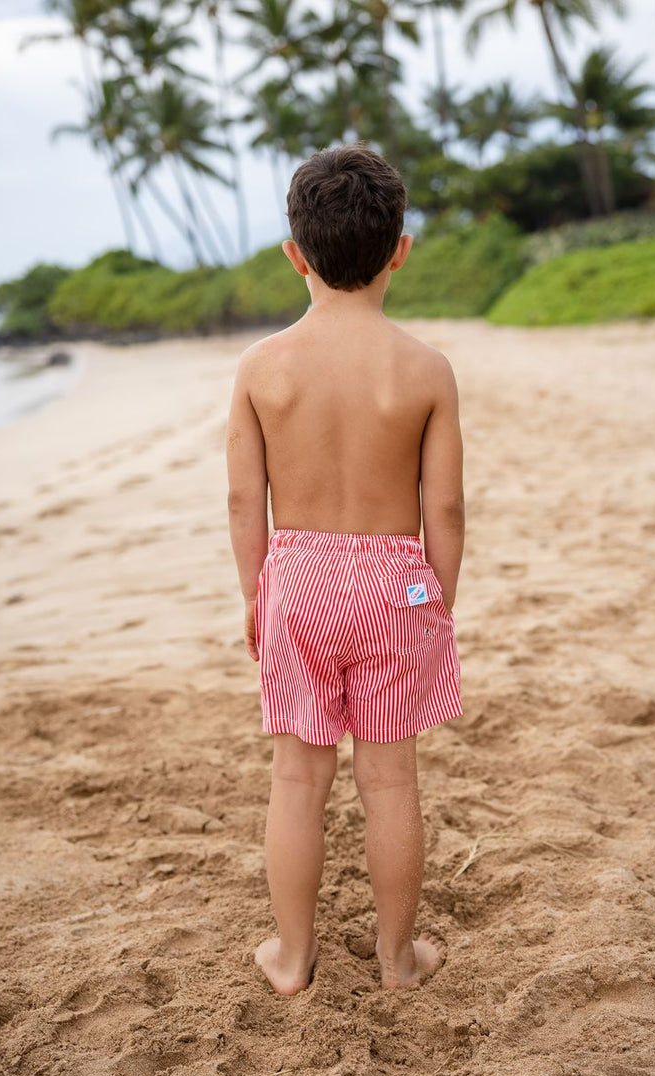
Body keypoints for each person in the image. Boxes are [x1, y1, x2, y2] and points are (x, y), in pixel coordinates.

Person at [226, 141, 464, 995]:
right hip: (396, 581)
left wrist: (258, 595)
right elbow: (445, 508)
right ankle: (398, 961)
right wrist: (436, 599)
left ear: (295, 255)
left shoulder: (261, 368)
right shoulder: (425, 369)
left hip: (297, 578)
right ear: (401, 247)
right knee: (390, 777)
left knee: (298, 778)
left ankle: (292, 959)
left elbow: (243, 503)